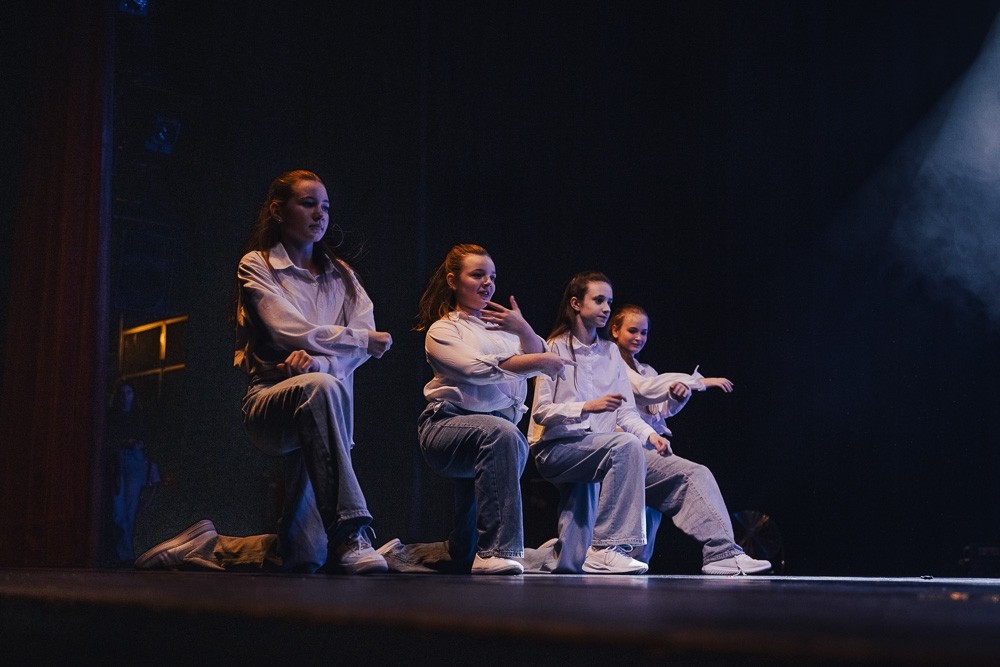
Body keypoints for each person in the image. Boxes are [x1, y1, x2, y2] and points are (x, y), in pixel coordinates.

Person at [135, 169, 392, 574]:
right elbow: (287, 329)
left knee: (305, 555)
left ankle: (209, 547)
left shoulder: (343, 275)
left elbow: (360, 348)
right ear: (277, 210)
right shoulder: (257, 265)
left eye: (325, 207)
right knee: (320, 387)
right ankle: (351, 532)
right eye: (308, 204)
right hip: (271, 400)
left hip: (329, 417)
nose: (320, 214)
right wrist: (356, 340)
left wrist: (321, 361)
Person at [528, 272, 771, 575]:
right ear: (576, 303)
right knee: (624, 447)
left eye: (609, 301)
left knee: (692, 473)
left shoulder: (610, 354)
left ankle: (722, 553)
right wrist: (587, 407)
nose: (606, 308)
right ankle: (606, 548)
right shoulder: (554, 348)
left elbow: (627, 412)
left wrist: (650, 436)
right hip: (559, 448)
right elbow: (541, 412)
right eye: (599, 300)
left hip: (610, 450)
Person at [377, 244, 566, 575]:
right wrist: (535, 361)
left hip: (493, 435)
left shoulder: (502, 330)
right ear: (453, 281)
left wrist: (523, 329)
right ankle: (497, 551)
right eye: (477, 275)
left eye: (492, 276)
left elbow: (543, 359)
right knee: (503, 434)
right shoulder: (443, 330)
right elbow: (475, 369)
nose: (487, 283)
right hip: (447, 425)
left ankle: (400, 555)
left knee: (463, 551)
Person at [609, 304, 768, 573]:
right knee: (695, 475)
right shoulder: (611, 360)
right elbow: (643, 389)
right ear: (615, 331)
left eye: (644, 332)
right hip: (624, 449)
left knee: (637, 553)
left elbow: (658, 410)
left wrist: (677, 396)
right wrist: (699, 382)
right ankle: (722, 552)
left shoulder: (646, 369)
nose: (639, 337)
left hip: (649, 447)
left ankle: (550, 557)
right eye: (632, 330)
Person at [106, 380, 156, 565]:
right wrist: (124, 443)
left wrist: (139, 445)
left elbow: (148, 440)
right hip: (119, 460)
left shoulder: (138, 417)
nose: (125, 397)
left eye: (128, 393)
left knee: (130, 508)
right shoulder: (113, 417)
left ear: (133, 395)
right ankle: (124, 555)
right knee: (117, 511)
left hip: (135, 461)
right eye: (122, 393)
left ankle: (124, 556)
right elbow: (110, 439)